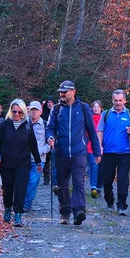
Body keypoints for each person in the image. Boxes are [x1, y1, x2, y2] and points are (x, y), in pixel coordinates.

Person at [45, 80, 101, 225]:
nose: (62, 94)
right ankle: (65, 213)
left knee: (78, 183)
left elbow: (92, 131)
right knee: (62, 185)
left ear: (73, 91)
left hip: (79, 152)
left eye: (65, 92)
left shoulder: (83, 108)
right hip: (61, 152)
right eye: (60, 92)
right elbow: (50, 128)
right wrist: (49, 138)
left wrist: (97, 152)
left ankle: (79, 211)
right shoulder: (56, 109)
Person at [0, 99, 42, 227]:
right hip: (6, 163)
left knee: (21, 188)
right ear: (10, 111)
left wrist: (38, 162)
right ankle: (8, 207)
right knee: (7, 188)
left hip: (23, 163)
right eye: (14, 111)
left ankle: (18, 214)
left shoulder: (27, 126)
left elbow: (33, 146)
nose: (16, 114)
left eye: (19, 112)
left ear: (23, 112)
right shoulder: (4, 125)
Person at [97, 89, 130, 215]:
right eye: (115, 100)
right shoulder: (105, 114)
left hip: (124, 153)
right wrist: (99, 146)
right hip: (108, 152)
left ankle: (121, 205)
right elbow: (100, 131)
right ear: (112, 100)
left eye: (120, 100)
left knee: (122, 180)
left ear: (125, 100)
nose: (118, 103)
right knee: (106, 180)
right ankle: (109, 201)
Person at [23, 101, 50, 212]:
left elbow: (50, 144)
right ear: (28, 111)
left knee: (32, 182)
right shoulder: (23, 123)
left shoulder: (46, 125)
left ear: (40, 111)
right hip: (23, 158)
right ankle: (20, 202)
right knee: (22, 181)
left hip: (39, 160)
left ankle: (26, 204)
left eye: (36, 110)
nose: (34, 112)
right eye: (32, 110)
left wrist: (40, 151)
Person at [87, 100, 103, 198]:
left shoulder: (104, 118)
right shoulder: (89, 118)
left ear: (101, 108)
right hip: (90, 146)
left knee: (101, 168)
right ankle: (93, 187)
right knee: (94, 166)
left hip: (103, 147)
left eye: (98, 107)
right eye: (94, 107)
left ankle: (99, 187)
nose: (96, 109)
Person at [42, 96, 55, 186]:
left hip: (54, 138)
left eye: (51, 102)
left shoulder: (56, 112)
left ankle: (54, 179)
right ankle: (46, 178)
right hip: (44, 138)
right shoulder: (43, 113)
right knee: (46, 160)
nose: (50, 104)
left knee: (54, 160)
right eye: (48, 102)